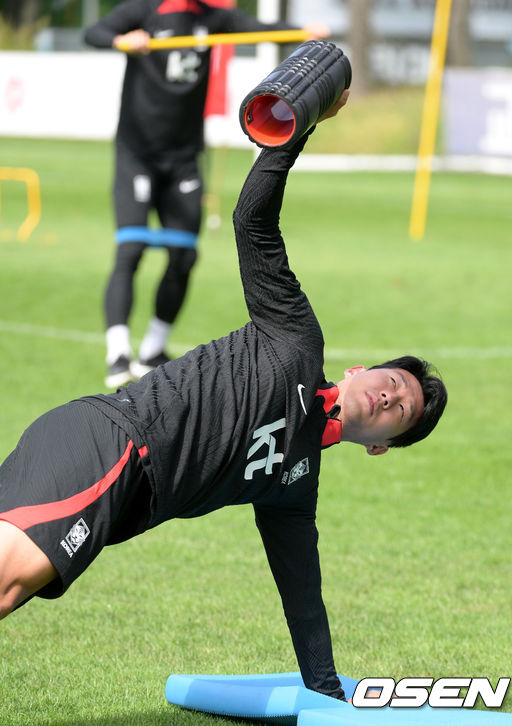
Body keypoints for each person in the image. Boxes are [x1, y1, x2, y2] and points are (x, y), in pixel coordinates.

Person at [0, 92, 447, 701]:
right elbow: (252, 224)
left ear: (382, 448)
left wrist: (325, 687)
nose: (391, 399)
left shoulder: (294, 484)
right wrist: (295, 130)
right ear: (359, 369)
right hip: (113, 444)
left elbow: (302, 592)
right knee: (9, 579)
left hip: (115, 477)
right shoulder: (296, 340)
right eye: (393, 382)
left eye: (402, 413)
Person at [84, 0, 329, 388]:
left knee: (183, 255)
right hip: (137, 153)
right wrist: (121, 41)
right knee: (131, 248)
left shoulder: (213, 18)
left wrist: (303, 33)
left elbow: (260, 28)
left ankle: (152, 350)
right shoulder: (142, 10)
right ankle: (117, 354)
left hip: (183, 158)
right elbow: (92, 33)